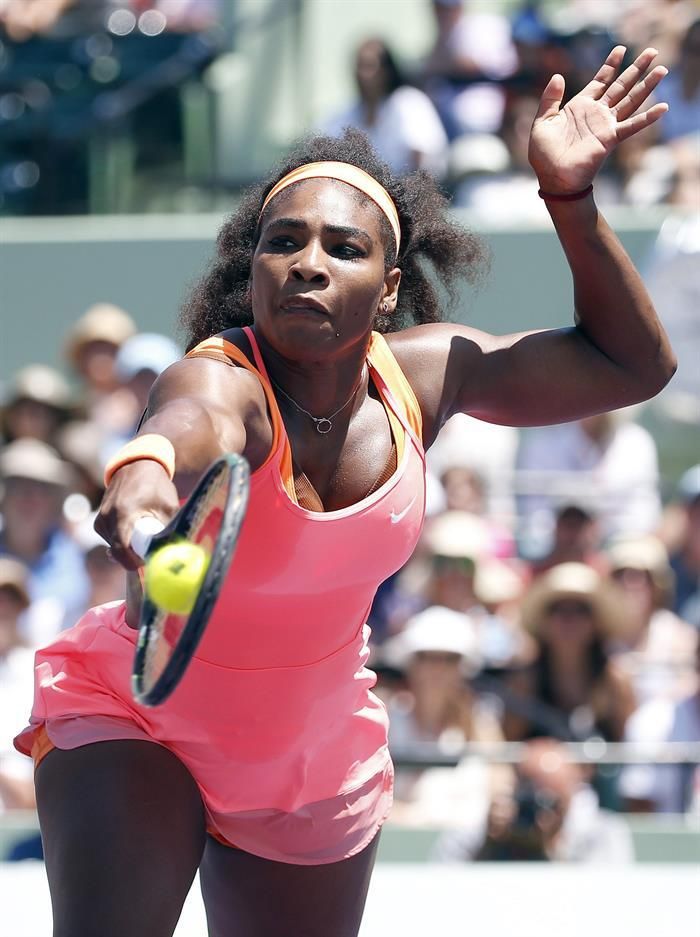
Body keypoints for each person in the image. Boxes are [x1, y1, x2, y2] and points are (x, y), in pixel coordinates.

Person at [14, 46, 675, 937]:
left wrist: (570, 199)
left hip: (311, 754)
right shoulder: (227, 381)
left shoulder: (424, 377)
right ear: (250, 273)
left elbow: (633, 364)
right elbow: (172, 434)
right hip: (140, 712)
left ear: (390, 284)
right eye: (281, 242)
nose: (307, 262)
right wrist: (140, 500)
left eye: (343, 246)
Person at [324, 37, 449, 179]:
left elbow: (421, 160)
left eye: (369, 66)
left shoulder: (408, 102)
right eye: (359, 66)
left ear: (386, 71)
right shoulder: (345, 113)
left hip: (408, 192)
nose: (361, 74)